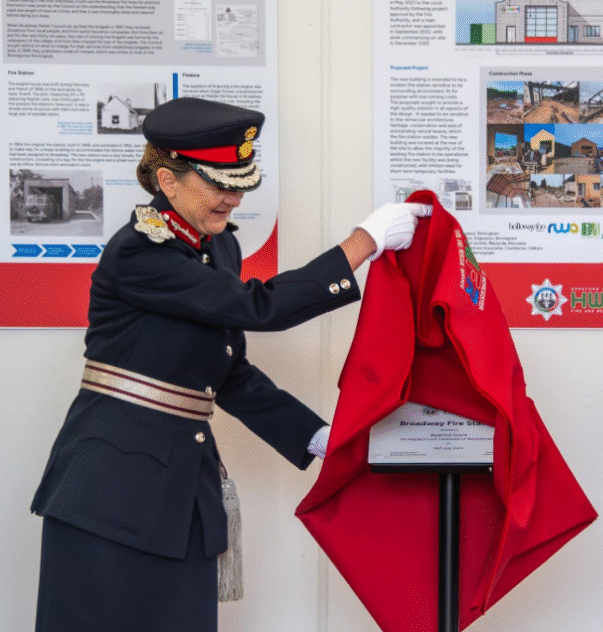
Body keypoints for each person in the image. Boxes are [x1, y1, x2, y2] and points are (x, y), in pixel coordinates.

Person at [30, 97, 430, 632]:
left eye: (240, 184)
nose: (234, 198)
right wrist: (364, 243)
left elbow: (227, 372)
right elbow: (259, 309)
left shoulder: (216, 249)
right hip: (110, 497)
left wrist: (317, 437)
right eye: (219, 184)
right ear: (168, 181)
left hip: (179, 495)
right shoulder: (140, 252)